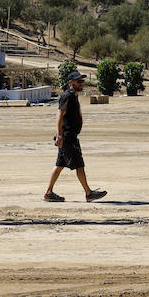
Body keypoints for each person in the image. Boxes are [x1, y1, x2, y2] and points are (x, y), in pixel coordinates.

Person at [44, 71, 106, 203]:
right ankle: (89, 193)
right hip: (68, 137)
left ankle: (49, 193)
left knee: (60, 164)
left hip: (68, 136)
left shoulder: (73, 96)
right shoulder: (68, 96)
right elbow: (59, 115)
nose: (81, 84)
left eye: (82, 81)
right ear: (71, 83)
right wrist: (59, 135)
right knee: (79, 165)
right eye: (79, 81)